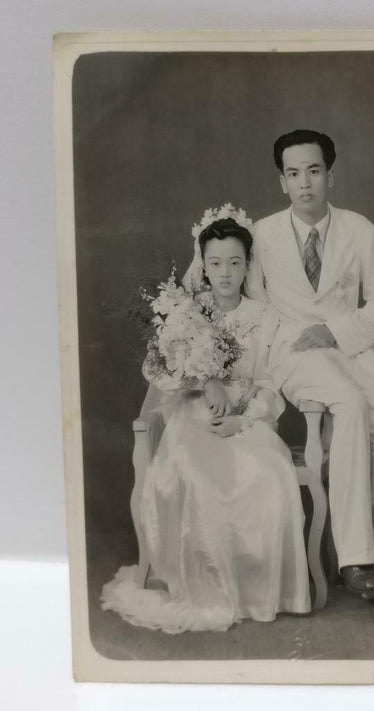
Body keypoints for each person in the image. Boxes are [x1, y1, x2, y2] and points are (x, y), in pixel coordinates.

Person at [101, 210, 311, 633]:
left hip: (248, 419)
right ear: (203, 263)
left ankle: (260, 589)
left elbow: (272, 383)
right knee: (197, 474)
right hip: (193, 415)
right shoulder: (185, 313)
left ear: (248, 264)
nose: (225, 273)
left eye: (235, 262)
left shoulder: (265, 317)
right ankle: (207, 587)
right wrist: (205, 377)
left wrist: (245, 421)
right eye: (215, 263)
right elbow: (160, 372)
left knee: (269, 471)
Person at [246, 129, 374, 611]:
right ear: (282, 182)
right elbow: (245, 300)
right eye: (294, 173)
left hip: (354, 347)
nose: (305, 183)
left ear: (331, 176)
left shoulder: (361, 231)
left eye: (314, 171)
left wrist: (337, 330)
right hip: (296, 350)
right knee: (351, 405)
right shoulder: (260, 235)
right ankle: (356, 558)